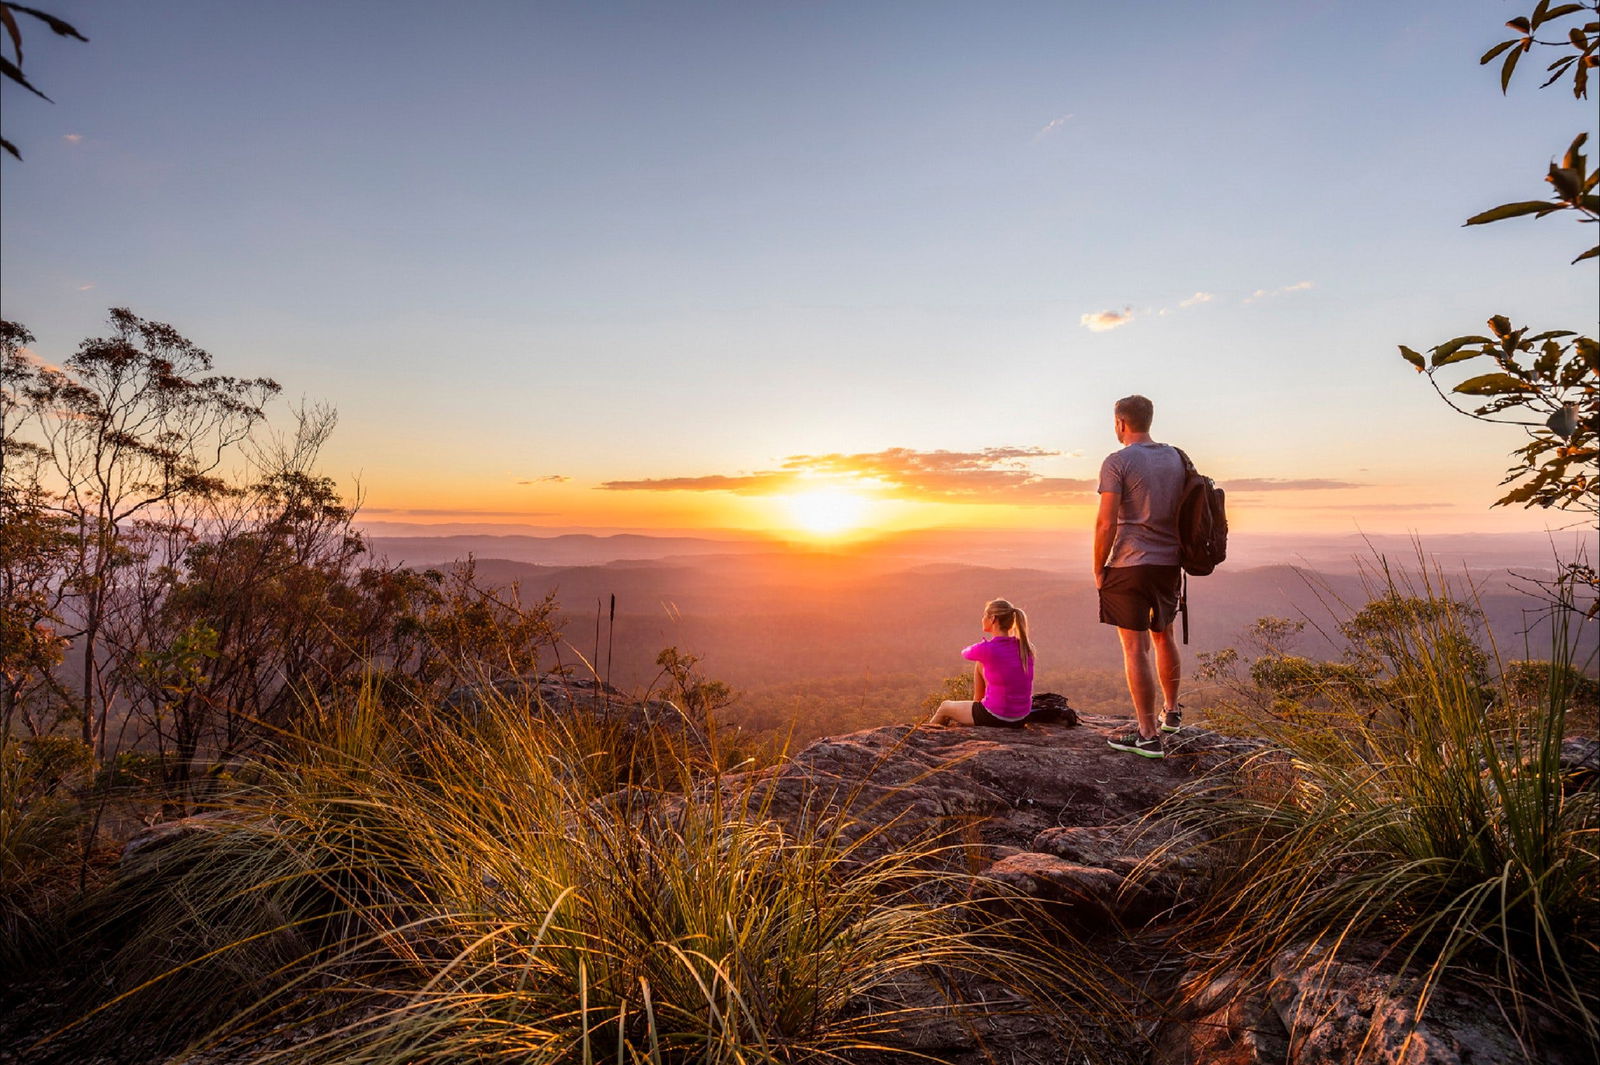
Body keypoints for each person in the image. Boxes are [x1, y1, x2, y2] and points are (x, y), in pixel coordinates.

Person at [1094, 395, 1185, 758]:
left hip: (1130, 563)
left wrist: (1099, 568)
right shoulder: (1177, 457)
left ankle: (1147, 733)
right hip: (1169, 564)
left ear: (1120, 424)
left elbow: (1105, 522)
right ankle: (1172, 712)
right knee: (1165, 637)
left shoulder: (1117, 462)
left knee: (1135, 649)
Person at [927, 598, 1036, 727]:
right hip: (1020, 717)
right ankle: (978, 706)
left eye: (985, 615)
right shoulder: (1026, 647)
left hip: (997, 716)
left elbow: (965, 652)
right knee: (982, 664)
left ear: (993, 619)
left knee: (945, 707)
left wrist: (984, 645)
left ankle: (921, 739)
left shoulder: (987, 649)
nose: (982, 619)